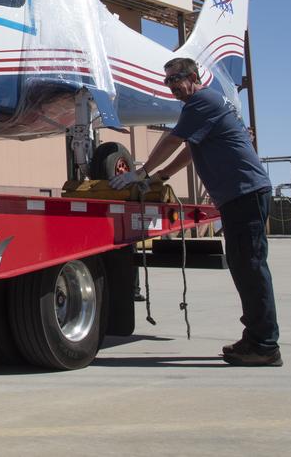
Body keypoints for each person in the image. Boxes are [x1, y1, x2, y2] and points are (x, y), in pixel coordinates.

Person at [111, 56, 281, 367]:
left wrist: (142, 172)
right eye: (167, 81)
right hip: (239, 196)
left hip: (245, 194)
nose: (172, 86)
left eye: (176, 79)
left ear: (193, 76)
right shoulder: (206, 106)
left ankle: (265, 344)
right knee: (245, 266)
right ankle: (256, 338)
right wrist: (162, 175)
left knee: (250, 268)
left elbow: (173, 140)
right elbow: (191, 149)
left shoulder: (202, 101)